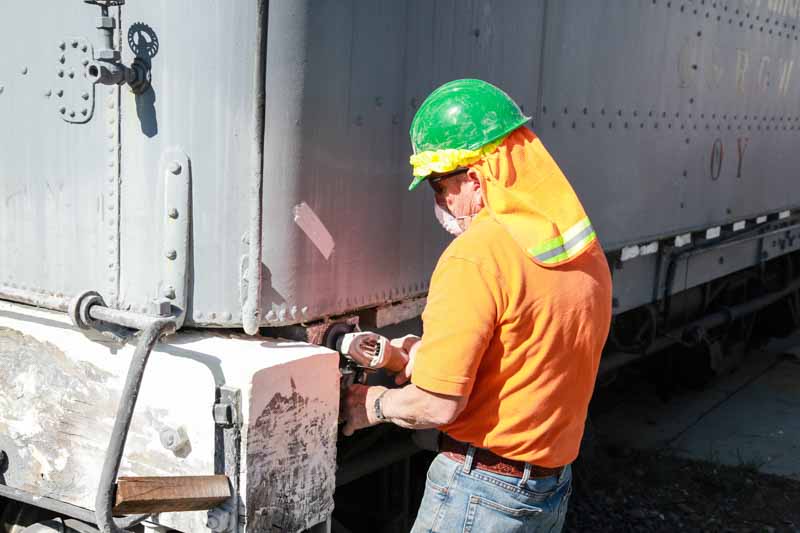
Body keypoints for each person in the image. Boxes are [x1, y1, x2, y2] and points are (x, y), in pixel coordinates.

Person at [341, 78, 612, 532]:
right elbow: (529, 351)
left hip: (482, 493)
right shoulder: (580, 249)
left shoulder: (477, 256)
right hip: (548, 489)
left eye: (437, 184)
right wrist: (424, 357)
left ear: (474, 177)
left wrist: (371, 404)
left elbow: (438, 406)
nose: (439, 200)